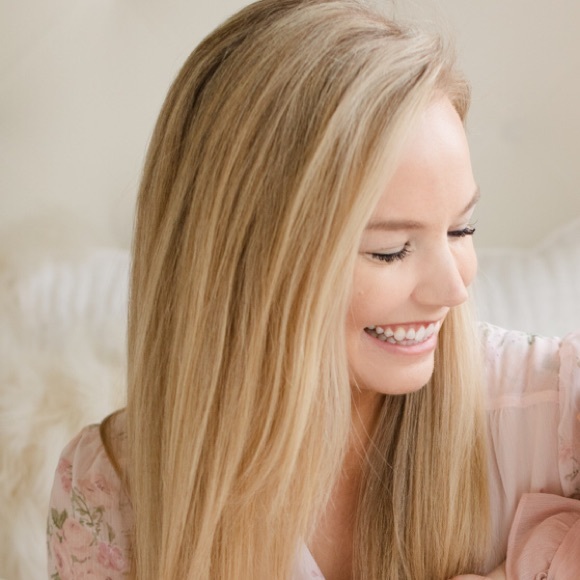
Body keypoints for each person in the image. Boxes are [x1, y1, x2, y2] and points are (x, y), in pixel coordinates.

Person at [46, 0, 580, 578]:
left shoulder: (555, 415)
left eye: (461, 230)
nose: (452, 289)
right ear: (250, 260)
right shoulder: (109, 492)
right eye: (390, 249)